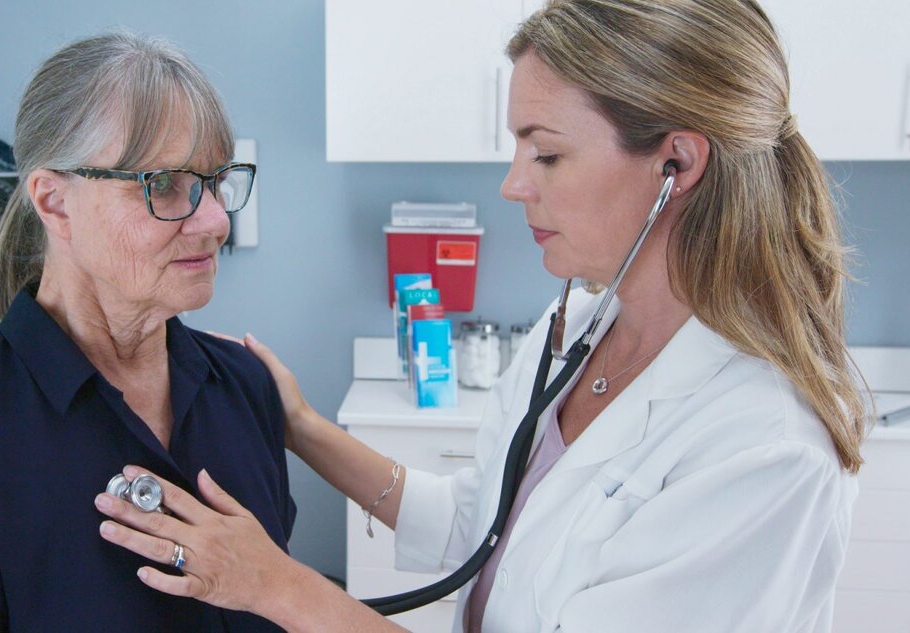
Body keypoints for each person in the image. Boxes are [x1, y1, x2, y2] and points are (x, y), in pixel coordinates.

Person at [94, 1, 869, 631]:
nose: (513, 185)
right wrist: (300, 423)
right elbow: (477, 522)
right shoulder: (578, 329)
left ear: (678, 163)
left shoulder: (765, 451)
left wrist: (276, 584)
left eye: (547, 154)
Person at [0, 32, 295, 632]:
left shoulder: (246, 389)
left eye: (217, 182)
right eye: (165, 184)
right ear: (55, 202)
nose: (216, 220)